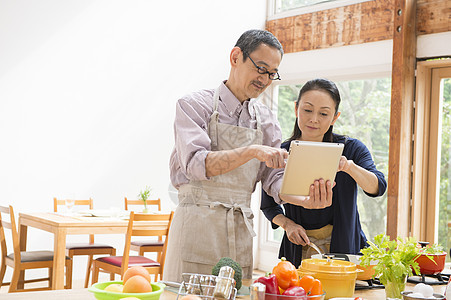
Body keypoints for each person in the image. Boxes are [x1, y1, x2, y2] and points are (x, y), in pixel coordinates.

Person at [164, 30, 334, 282]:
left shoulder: (266, 120)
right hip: (196, 227)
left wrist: (304, 199)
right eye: (261, 68)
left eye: (271, 73)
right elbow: (195, 164)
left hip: (239, 230)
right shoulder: (193, 105)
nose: (265, 79)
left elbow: (274, 180)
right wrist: (252, 151)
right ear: (235, 57)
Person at [261, 78, 387, 268]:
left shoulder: (351, 149)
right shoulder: (281, 152)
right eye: (308, 110)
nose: (314, 119)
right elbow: (269, 206)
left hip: (345, 248)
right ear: (296, 109)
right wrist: (288, 225)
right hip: (298, 249)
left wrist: (348, 167)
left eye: (324, 113)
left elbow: (377, 186)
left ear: (335, 117)